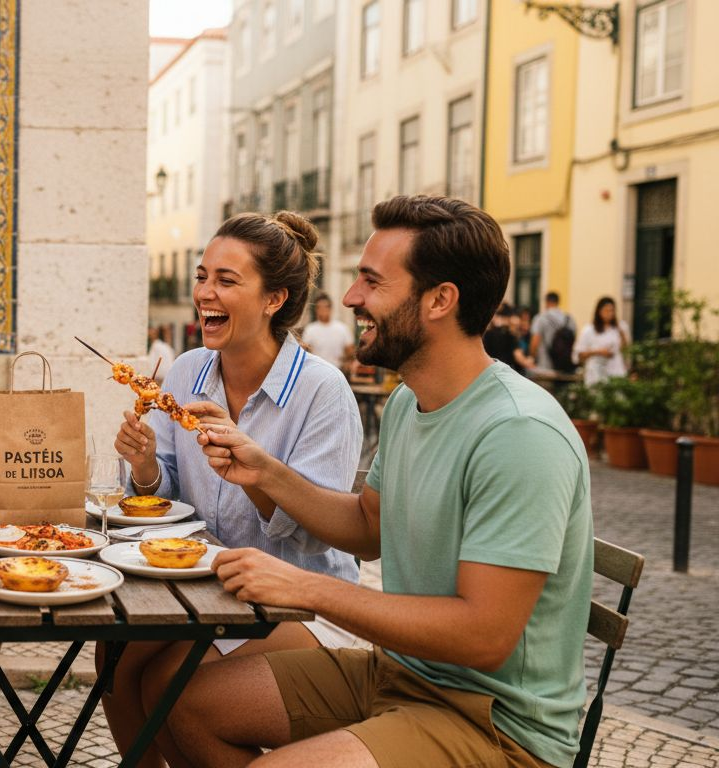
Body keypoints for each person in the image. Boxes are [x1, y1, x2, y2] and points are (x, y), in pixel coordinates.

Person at [164, 195, 594, 768]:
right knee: (186, 704)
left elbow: (484, 636)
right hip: (400, 672)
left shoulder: (518, 432)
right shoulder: (409, 405)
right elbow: (368, 527)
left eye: (371, 281)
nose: (349, 299)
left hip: (496, 723)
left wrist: (305, 587)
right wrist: (263, 471)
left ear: (441, 300)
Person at [104, 211, 365, 767]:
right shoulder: (186, 372)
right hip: (206, 592)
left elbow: (320, 534)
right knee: (115, 657)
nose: (205, 293)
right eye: (202, 277)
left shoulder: (322, 392)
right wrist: (147, 465)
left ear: (274, 299)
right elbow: (166, 496)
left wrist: (255, 470)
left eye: (226, 280)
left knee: (167, 685)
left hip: (303, 607)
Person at [574, 296, 629, 386]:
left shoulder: (620, 328)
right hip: (596, 373)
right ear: (599, 312)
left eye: (612, 311)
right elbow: (579, 354)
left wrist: (622, 336)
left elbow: (626, 350)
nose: (610, 314)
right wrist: (598, 352)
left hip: (616, 371)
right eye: (606, 311)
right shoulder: (589, 330)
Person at [300, 292, 356, 371]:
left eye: (325, 307)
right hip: (316, 370)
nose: (322, 310)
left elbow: (350, 352)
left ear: (330, 308)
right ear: (316, 310)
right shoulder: (310, 329)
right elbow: (304, 351)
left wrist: (346, 363)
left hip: (338, 370)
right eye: (319, 307)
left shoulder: (342, 328)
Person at [529, 291, 577, 373]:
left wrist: (532, 358)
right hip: (564, 368)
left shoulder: (540, 318)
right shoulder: (569, 319)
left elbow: (535, 342)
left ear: (546, 302)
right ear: (558, 302)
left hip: (544, 367)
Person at [482, 303, 522, 374]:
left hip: (489, 370)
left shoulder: (487, 333)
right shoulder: (510, 335)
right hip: (507, 371)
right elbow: (518, 356)